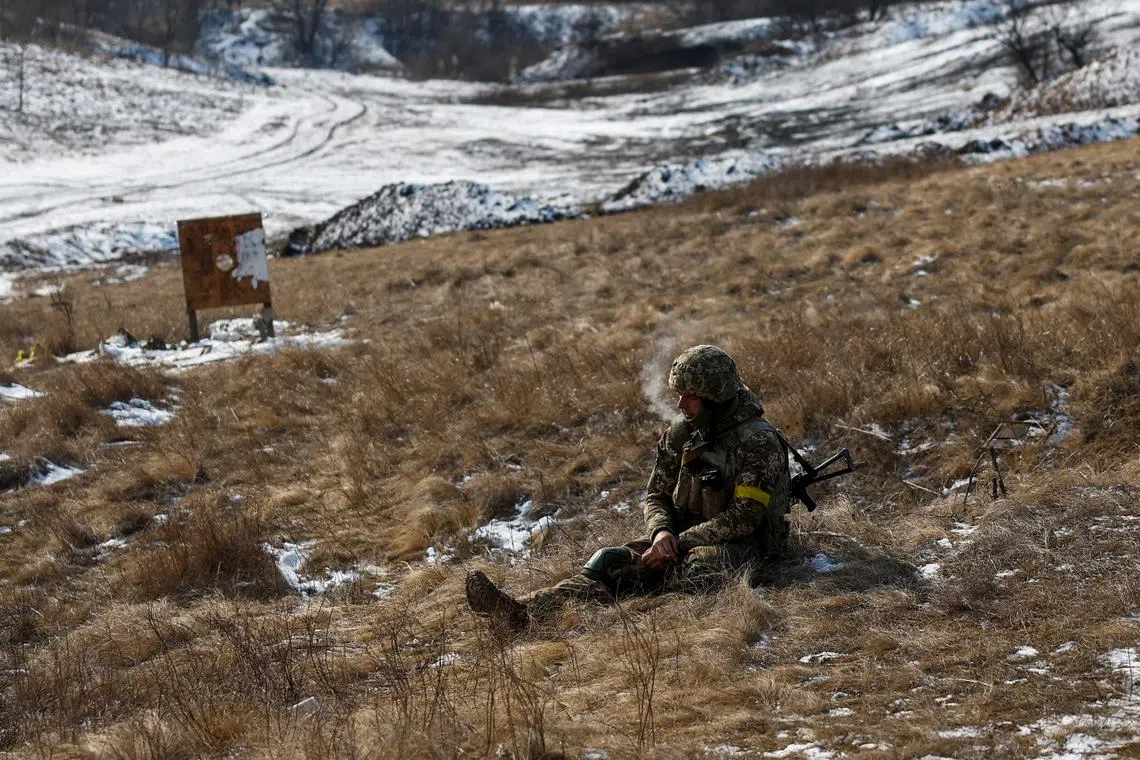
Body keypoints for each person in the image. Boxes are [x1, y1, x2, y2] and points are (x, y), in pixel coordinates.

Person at [466, 345, 792, 630]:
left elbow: (744, 519)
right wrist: (661, 534)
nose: (680, 404)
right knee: (608, 561)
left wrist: (677, 543)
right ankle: (523, 611)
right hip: (680, 538)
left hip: (747, 544)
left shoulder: (759, 442)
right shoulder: (683, 434)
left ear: (716, 398)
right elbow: (656, 496)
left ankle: (622, 600)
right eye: (678, 394)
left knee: (698, 568)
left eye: (690, 397)